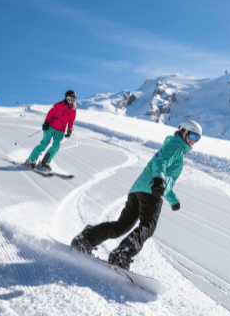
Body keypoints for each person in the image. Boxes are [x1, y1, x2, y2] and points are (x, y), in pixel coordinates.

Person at [70, 120, 202, 270]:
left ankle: (87, 239)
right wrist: (158, 179)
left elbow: (167, 180)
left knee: (122, 225)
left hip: (138, 189)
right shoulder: (176, 147)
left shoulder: (173, 146)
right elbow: (160, 163)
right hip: (151, 191)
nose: (193, 141)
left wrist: (173, 200)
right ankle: (122, 254)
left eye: (197, 138)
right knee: (147, 227)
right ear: (183, 131)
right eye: (192, 135)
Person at [23, 90, 77, 172]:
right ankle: (30, 160)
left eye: (72, 98)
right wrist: (46, 122)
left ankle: (44, 163)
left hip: (60, 131)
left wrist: (69, 130)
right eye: (69, 98)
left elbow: (71, 121)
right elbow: (50, 114)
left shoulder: (73, 109)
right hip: (50, 127)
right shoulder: (58, 105)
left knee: (56, 146)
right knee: (44, 144)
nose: (70, 100)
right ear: (65, 98)